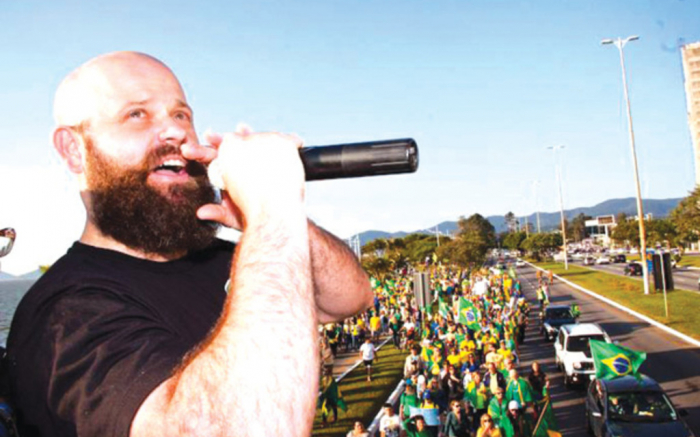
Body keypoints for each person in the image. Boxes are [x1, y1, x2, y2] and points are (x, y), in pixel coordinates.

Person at [6, 52, 373, 437]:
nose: (175, 132)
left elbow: (351, 297)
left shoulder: (231, 260)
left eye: (181, 115)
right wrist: (272, 208)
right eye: (137, 114)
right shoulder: (65, 316)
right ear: (73, 149)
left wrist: (263, 220)